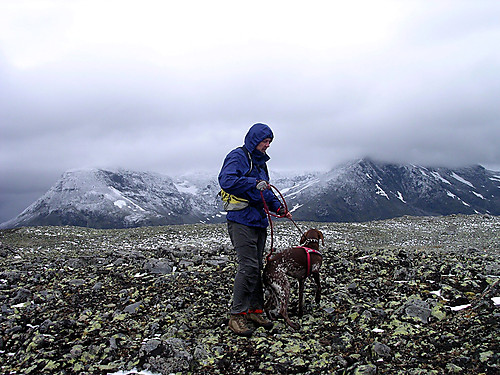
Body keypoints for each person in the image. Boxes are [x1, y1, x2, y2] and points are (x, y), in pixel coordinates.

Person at [218, 123, 292, 337]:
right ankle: (237, 316)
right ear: (253, 140)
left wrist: (279, 207)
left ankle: (255, 310)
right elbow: (227, 180)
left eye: (269, 142)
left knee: (256, 266)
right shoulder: (238, 156)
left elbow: (265, 191)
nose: (267, 145)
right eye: (264, 141)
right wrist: (253, 182)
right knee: (248, 266)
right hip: (241, 220)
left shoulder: (260, 163)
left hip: (258, 220)